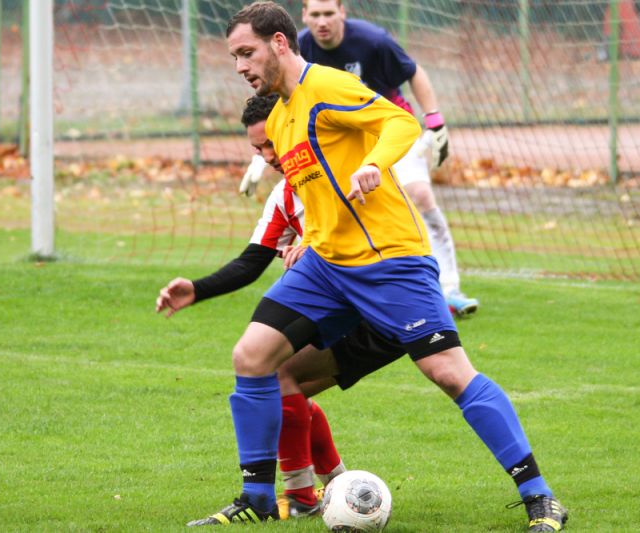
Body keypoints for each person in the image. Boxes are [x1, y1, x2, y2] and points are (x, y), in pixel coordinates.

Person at [192, 2, 567, 531]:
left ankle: (539, 496)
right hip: (327, 266)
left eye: (246, 53)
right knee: (253, 356)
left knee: (448, 372)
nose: (239, 66)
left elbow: (399, 120)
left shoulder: (327, 86)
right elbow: (316, 192)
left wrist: (373, 163)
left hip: (390, 260)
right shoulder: (278, 118)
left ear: (278, 43)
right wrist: (309, 241)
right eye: (234, 56)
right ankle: (258, 496)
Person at [157, 94, 409, 522]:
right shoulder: (284, 195)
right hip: (345, 312)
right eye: (257, 149)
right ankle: (331, 487)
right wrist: (196, 289)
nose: (268, 156)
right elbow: (252, 262)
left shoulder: (345, 173)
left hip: (387, 310)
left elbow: (367, 232)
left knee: (276, 378)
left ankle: (303, 494)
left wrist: (314, 246)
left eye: (270, 144)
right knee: (276, 381)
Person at [240, 0, 479, 317]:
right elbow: (282, 115)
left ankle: (449, 288)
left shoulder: (372, 41)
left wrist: (434, 121)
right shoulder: (296, 51)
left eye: (329, 13)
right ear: (304, 16)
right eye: (315, 14)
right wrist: (261, 159)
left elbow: (413, 73)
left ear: (343, 12)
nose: (322, 21)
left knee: (420, 194)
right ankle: (352, 285)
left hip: (385, 130)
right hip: (338, 141)